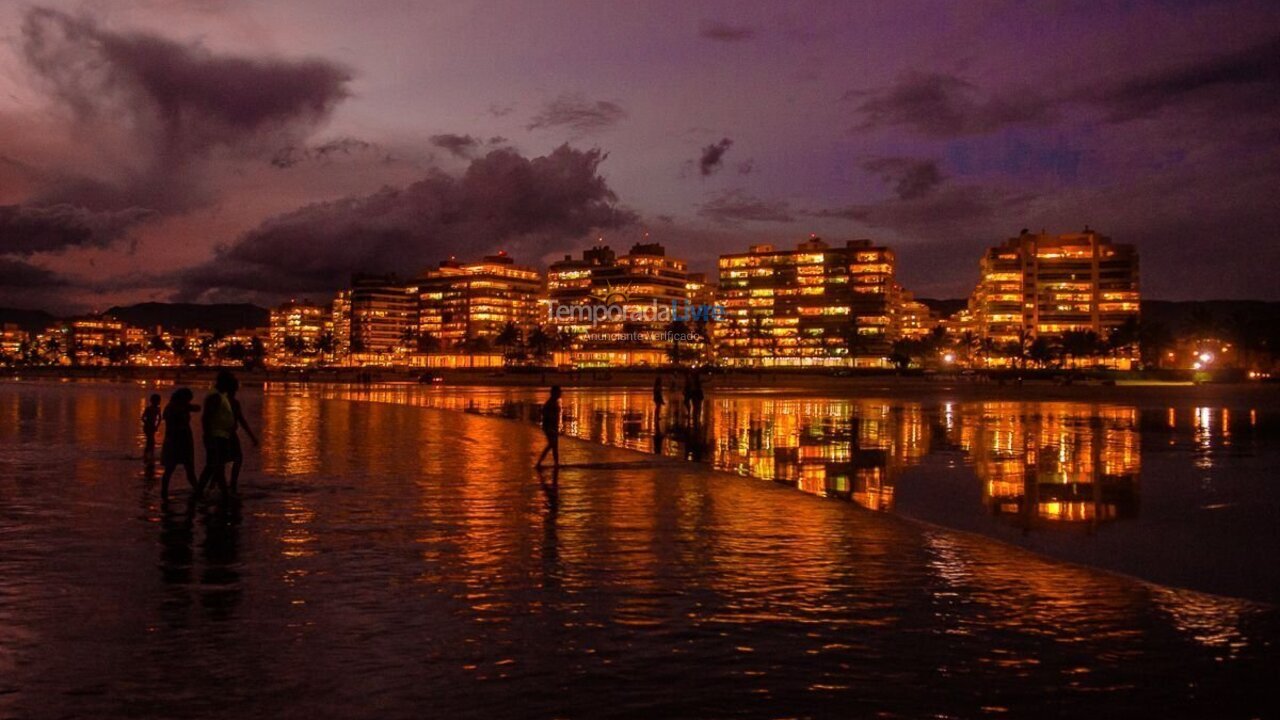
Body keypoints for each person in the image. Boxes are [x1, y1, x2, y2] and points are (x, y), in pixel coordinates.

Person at [195, 371, 238, 500]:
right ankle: (222, 494)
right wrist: (209, 438)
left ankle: (202, 492)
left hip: (221, 435)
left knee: (214, 466)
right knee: (215, 465)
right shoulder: (215, 397)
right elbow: (206, 418)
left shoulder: (220, 396)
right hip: (216, 436)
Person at [159, 388, 200, 499]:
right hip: (175, 440)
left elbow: (197, 408)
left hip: (183, 440)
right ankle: (164, 492)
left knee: (188, 468)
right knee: (170, 468)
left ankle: (197, 490)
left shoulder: (182, 406)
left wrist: (187, 407)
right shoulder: (171, 408)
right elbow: (171, 424)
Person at [226, 381, 259, 495]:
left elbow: (241, 420)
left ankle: (231, 484)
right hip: (224, 434)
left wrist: (252, 436)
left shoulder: (233, 402)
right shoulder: (228, 402)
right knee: (232, 459)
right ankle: (230, 485)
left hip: (230, 434)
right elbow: (241, 420)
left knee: (236, 459)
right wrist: (252, 436)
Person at [535, 385, 562, 469]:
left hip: (552, 427)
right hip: (549, 427)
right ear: (554, 393)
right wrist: (551, 428)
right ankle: (539, 463)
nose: (560, 394)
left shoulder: (553, 402)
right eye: (559, 392)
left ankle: (556, 463)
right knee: (552, 444)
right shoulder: (550, 403)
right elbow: (547, 415)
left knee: (554, 445)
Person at [141, 393, 162, 460]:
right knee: (150, 441)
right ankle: (147, 455)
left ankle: (150, 454)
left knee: (151, 441)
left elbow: (160, 418)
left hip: (152, 426)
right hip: (147, 427)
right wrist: (147, 423)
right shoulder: (148, 409)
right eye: (158, 401)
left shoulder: (158, 409)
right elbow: (142, 418)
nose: (158, 402)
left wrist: (156, 426)